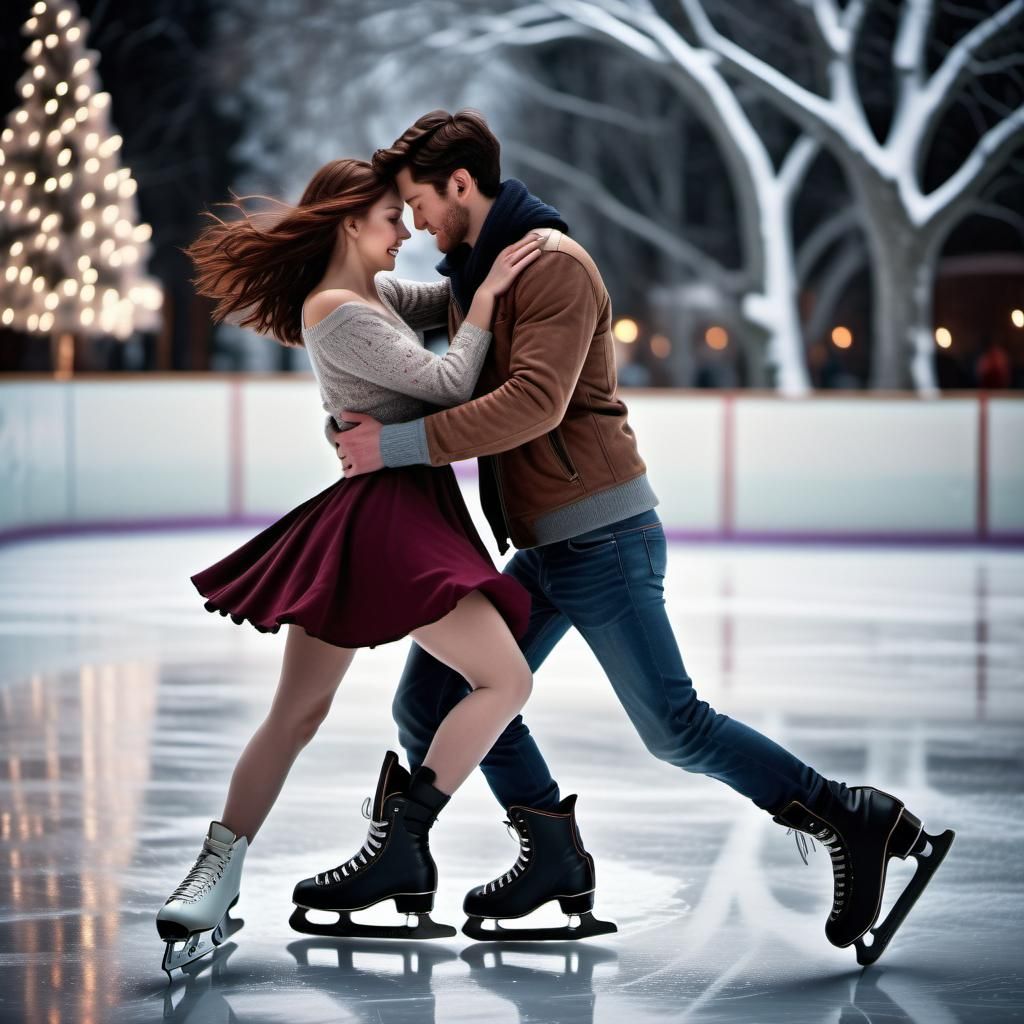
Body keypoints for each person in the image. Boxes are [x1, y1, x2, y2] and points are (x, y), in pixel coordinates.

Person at [333, 109, 955, 963]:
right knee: (432, 700)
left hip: (603, 537)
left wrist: (394, 445)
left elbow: (533, 404)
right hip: (548, 546)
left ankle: (853, 817)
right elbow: (385, 310)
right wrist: (320, 277)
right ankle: (550, 855)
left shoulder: (551, 266)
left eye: (420, 204)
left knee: (675, 727)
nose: (416, 225)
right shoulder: (481, 272)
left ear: (462, 185)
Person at [154, 158, 587, 979]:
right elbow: (451, 379)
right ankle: (248, 867)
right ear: (351, 223)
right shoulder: (335, 308)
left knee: (303, 713)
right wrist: (489, 299)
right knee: (495, 681)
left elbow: (446, 302)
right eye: (392, 217)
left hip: (396, 513)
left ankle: (365, 849)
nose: (403, 233)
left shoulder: (375, 297)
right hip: (390, 524)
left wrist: (496, 263)